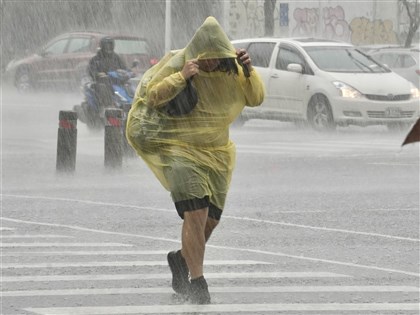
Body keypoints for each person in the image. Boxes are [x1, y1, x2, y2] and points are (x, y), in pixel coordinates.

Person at [126, 16, 265, 304]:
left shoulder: (234, 69)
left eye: (216, 57)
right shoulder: (181, 62)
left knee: (210, 222)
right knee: (196, 212)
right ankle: (198, 281)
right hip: (180, 150)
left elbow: (256, 99)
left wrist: (250, 71)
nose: (211, 63)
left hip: (217, 154)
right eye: (206, 57)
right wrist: (183, 76)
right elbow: (153, 96)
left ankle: (181, 259)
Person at [87, 36, 127, 108]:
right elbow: (91, 70)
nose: (108, 47)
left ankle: (129, 103)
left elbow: (124, 68)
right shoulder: (96, 59)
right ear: (102, 46)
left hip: (116, 81)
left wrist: (125, 72)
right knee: (103, 88)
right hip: (102, 82)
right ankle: (105, 106)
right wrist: (98, 74)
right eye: (106, 45)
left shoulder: (116, 58)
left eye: (110, 45)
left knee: (129, 86)